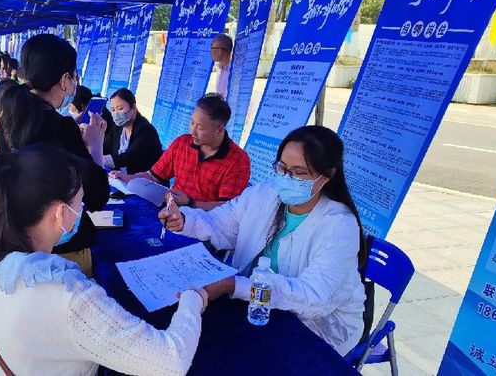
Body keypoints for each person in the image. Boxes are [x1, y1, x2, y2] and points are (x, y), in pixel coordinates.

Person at [0, 144, 207, 375]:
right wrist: (193, 300)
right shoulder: (68, 297)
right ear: (61, 213)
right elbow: (170, 361)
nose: (82, 209)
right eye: (80, 202)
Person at [158, 125, 367, 356]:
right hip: (257, 305)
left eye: (299, 173)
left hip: (315, 326)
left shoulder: (339, 225)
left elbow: (314, 298)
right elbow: (223, 223)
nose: (287, 178)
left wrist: (235, 285)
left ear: (327, 175)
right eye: (282, 168)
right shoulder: (266, 193)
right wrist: (184, 220)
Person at [0, 33, 109, 276]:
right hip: (62, 251)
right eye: (74, 76)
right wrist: (95, 145)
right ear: (66, 80)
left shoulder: (8, 122)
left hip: (19, 247)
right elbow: (97, 195)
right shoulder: (61, 128)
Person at [111, 95, 250, 211]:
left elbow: (227, 208)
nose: (192, 131)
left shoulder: (238, 160)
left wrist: (190, 203)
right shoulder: (182, 143)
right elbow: (153, 176)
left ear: (219, 130)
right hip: (171, 208)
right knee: (136, 188)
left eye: (200, 127)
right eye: (192, 123)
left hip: (206, 221)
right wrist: (126, 177)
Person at [103, 88, 162, 174]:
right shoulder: (117, 128)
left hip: (142, 180)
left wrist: (100, 159)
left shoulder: (146, 131)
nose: (116, 114)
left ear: (133, 108)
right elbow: (104, 148)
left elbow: (127, 158)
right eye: (113, 110)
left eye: (120, 109)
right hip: (120, 178)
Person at [211, 33, 233, 100]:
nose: (211, 52)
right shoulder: (220, 68)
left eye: (212, 48)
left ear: (220, 51)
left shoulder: (234, 72)